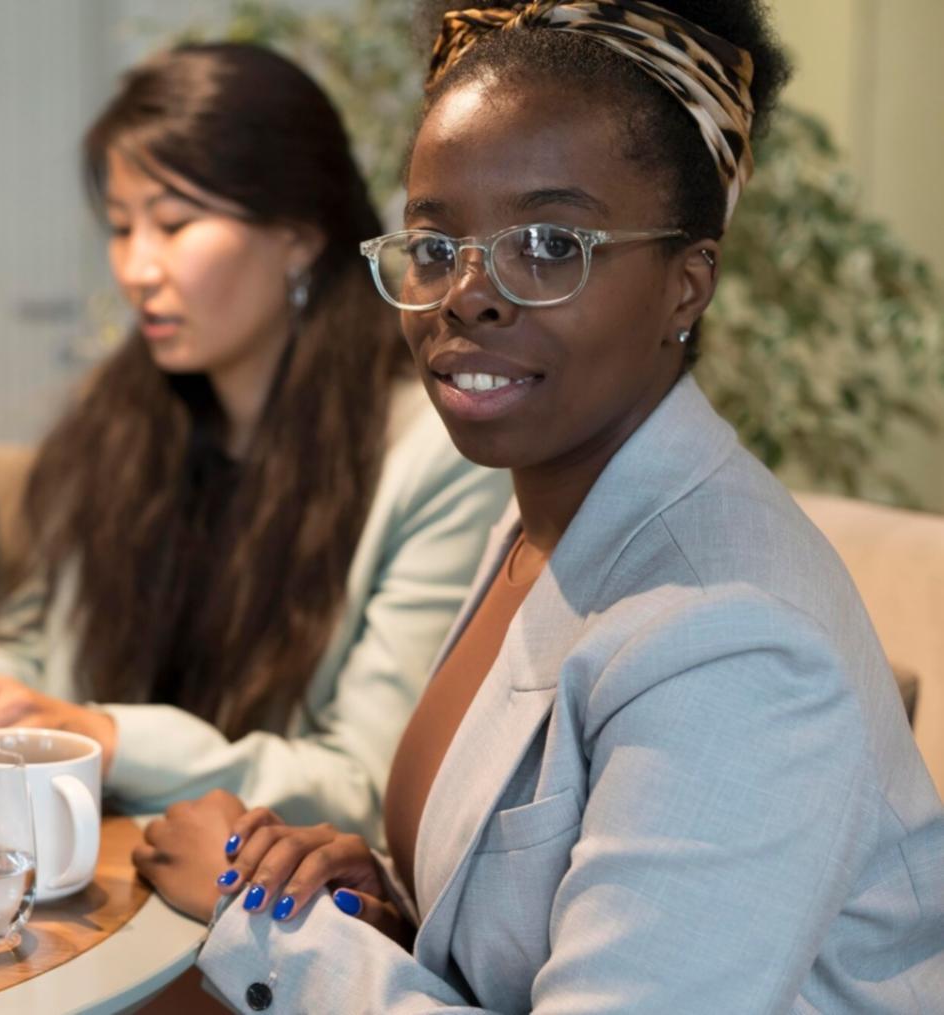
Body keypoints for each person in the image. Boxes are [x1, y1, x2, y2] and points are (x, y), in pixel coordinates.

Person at [138, 3, 944, 1010]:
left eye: (548, 243)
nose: (465, 293)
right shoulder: (537, 521)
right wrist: (380, 911)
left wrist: (261, 925)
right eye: (433, 244)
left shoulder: (735, 644)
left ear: (685, 285)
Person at [0, 44, 511, 837]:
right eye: (121, 228)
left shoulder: (434, 457)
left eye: (174, 224)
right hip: (104, 861)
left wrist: (111, 739)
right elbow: (54, 678)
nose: (135, 268)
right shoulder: (122, 427)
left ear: (296, 235)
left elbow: (365, 789)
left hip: (264, 904)